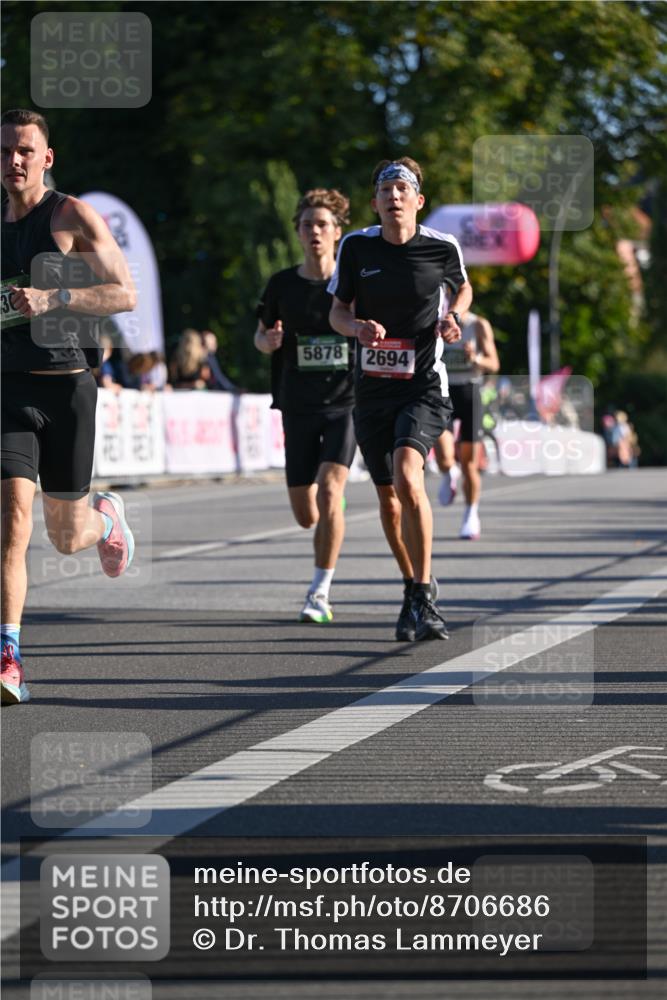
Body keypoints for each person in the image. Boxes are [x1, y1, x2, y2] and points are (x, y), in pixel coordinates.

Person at [1, 109, 137, 705]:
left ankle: (105, 520)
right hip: (8, 390)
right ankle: (9, 656)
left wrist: (54, 296)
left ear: (46, 158)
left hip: (67, 389)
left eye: (24, 150)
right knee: (12, 521)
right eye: (4, 150)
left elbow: (124, 294)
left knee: (65, 536)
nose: (13, 160)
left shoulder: (71, 216)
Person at [329, 158, 473, 641]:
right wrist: (356, 328)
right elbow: (337, 312)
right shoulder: (356, 246)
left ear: (418, 201)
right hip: (372, 389)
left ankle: (424, 596)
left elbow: (463, 288)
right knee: (389, 502)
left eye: (402, 189)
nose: (393, 196)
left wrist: (453, 316)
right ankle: (413, 586)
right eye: (385, 190)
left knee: (410, 476)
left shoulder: (441, 247)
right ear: (374, 203)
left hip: (423, 384)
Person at [255, 188, 355, 623]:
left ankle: (319, 593)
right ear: (297, 232)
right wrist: (268, 341)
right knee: (305, 515)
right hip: (296, 405)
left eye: (322, 224)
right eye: (307, 224)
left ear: (337, 232)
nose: (314, 231)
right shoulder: (282, 284)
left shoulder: (352, 283)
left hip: (345, 403)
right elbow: (260, 336)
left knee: (331, 491)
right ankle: (331, 510)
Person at [433, 310, 499, 539]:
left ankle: (471, 515)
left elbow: (494, 363)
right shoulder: (432, 318)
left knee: (469, 464)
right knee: (443, 456)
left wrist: (475, 358)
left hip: (469, 391)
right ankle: (449, 472)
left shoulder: (477, 324)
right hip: (443, 392)